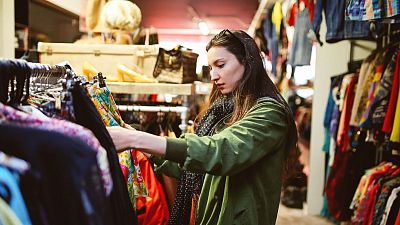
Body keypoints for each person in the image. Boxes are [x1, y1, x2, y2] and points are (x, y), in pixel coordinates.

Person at [107, 29, 298, 225]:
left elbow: (221, 151)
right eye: (210, 68)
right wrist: (142, 145)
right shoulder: (222, 111)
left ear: (247, 62)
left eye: (221, 65)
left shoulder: (270, 114)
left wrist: (136, 139)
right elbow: (192, 165)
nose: (214, 76)